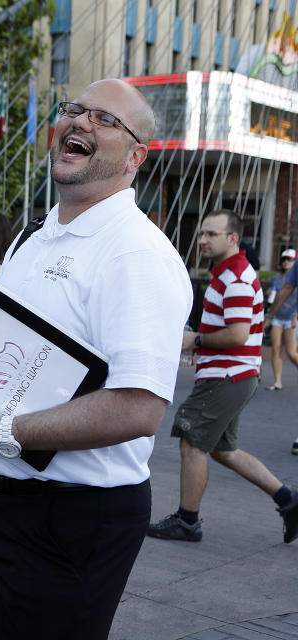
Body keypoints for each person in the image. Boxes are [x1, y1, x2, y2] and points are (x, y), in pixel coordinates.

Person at [0, 79, 193, 639]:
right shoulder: (32, 237)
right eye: (75, 110)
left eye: (104, 120)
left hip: (73, 519)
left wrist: (1, 432)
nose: (81, 123)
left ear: (135, 158)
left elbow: (139, 409)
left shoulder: (137, 254)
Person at [148, 210, 298, 544]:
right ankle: (288, 500)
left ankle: (187, 521)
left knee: (191, 436)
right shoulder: (228, 273)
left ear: (232, 238)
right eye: (202, 233)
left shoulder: (237, 278)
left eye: (211, 234)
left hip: (228, 375)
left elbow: (238, 335)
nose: (202, 240)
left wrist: (196, 339)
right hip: (233, 374)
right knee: (221, 450)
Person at [264, 248, 298, 391]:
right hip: (278, 317)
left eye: (289, 259)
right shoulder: (277, 278)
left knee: (291, 352)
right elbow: (282, 292)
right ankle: (278, 381)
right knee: (276, 348)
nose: (286, 262)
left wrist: (297, 316)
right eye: (284, 259)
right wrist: (270, 316)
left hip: (292, 317)